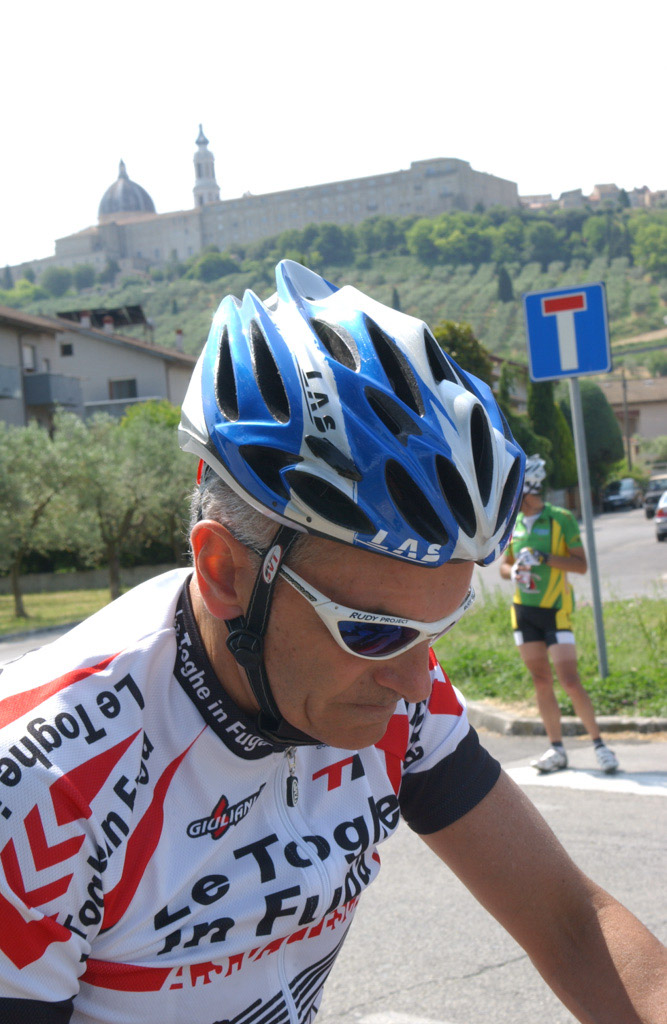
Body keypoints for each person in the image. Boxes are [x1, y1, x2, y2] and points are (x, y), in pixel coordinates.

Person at [0, 262, 664, 1024]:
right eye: (371, 630)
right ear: (223, 571)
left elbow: (572, 925)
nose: (416, 683)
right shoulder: (43, 787)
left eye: (437, 627)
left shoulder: (394, 687)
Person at [500, 455, 620, 774]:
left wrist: (544, 557)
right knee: (541, 681)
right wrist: (514, 571)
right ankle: (556, 749)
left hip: (555, 610)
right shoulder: (512, 523)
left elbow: (581, 565)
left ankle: (600, 745)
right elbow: (503, 566)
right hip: (523, 612)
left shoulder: (560, 518)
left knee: (569, 680)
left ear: (527, 489)